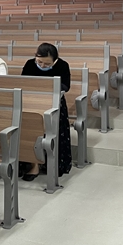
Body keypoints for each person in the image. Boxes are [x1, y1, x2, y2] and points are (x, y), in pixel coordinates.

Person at [19, 43, 72, 180]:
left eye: (47, 64)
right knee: (30, 128)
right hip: (31, 101)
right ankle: (33, 164)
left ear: (55, 60)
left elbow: (65, 86)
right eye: (39, 62)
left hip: (54, 102)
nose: (42, 66)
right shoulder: (30, 64)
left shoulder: (62, 65)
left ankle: (52, 164)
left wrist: (43, 86)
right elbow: (23, 82)